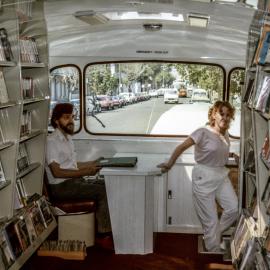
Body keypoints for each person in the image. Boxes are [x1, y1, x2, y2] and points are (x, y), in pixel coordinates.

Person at [157, 100, 238, 252]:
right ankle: (213, 250)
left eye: (228, 115)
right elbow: (181, 147)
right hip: (204, 177)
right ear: (214, 115)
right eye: (222, 114)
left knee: (234, 208)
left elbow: (219, 151)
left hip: (221, 174)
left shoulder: (225, 134)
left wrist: (234, 155)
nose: (225, 118)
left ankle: (215, 234)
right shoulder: (202, 132)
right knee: (211, 221)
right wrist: (169, 164)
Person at [45, 102, 112, 248]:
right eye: (66, 117)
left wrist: (93, 163)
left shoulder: (67, 138)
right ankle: (103, 235)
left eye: (72, 117)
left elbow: (73, 165)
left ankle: (105, 228)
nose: (71, 121)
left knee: (107, 184)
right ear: (56, 120)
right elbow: (56, 172)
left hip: (72, 182)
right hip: (61, 188)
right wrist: (86, 172)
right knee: (102, 191)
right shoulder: (52, 141)